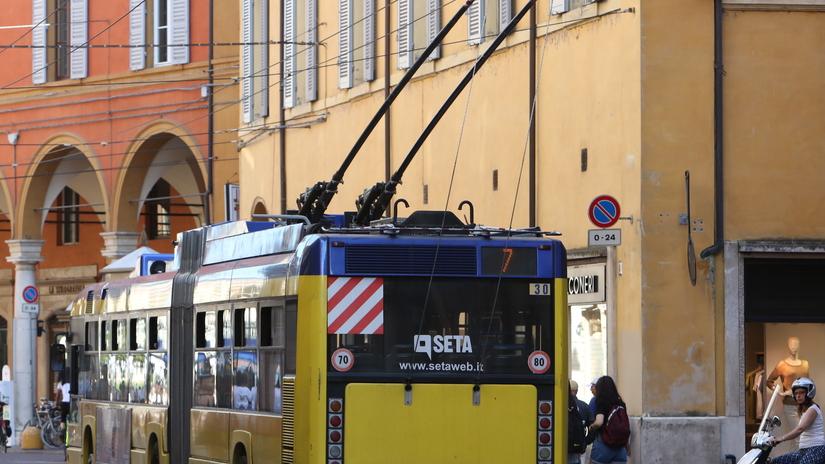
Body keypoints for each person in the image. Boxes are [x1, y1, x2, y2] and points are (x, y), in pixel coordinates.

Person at [768, 377, 825, 464]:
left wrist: (779, 439)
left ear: (809, 392)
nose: (798, 396)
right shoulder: (802, 410)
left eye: (801, 392)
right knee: (775, 461)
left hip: (816, 450)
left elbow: (800, 429)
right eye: (796, 393)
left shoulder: (813, 409)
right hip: (803, 451)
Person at [587, 376, 631, 464]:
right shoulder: (621, 403)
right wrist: (627, 447)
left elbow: (599, 422)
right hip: (620, 449)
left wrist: (591, 427)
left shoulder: (601, 402)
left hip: (603, 446)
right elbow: (624, 426)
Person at [569, 380, 595, 464]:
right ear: (577, 391)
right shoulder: (584, 406)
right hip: (577, 447)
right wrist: (585, 441)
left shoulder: (560, 404)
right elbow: (592, 426)